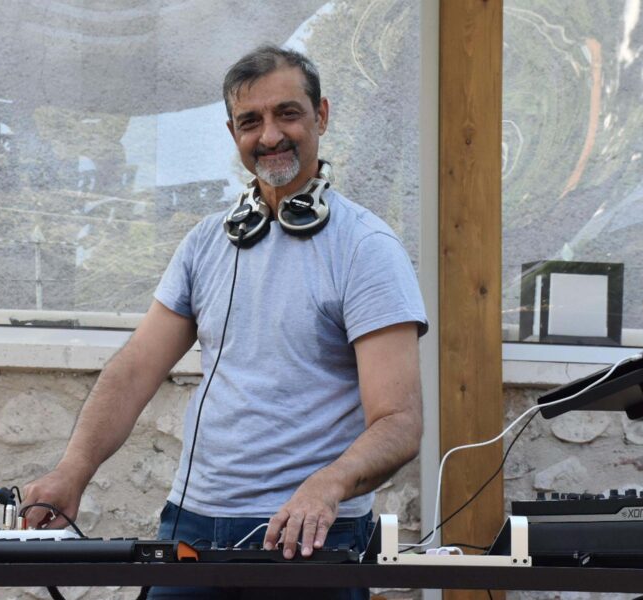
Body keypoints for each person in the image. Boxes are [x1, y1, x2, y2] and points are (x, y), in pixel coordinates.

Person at [22, 45, 428, 599]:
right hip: (192, 525)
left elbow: (399, 421)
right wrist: (73, 470)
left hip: (308, 532)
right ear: (233, 132)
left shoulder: (367, 248)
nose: (270, 135)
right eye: (250, 121)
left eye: (287, 113)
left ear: (322, 116)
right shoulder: (205, 244)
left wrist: (327, 486)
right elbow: (135, 369)